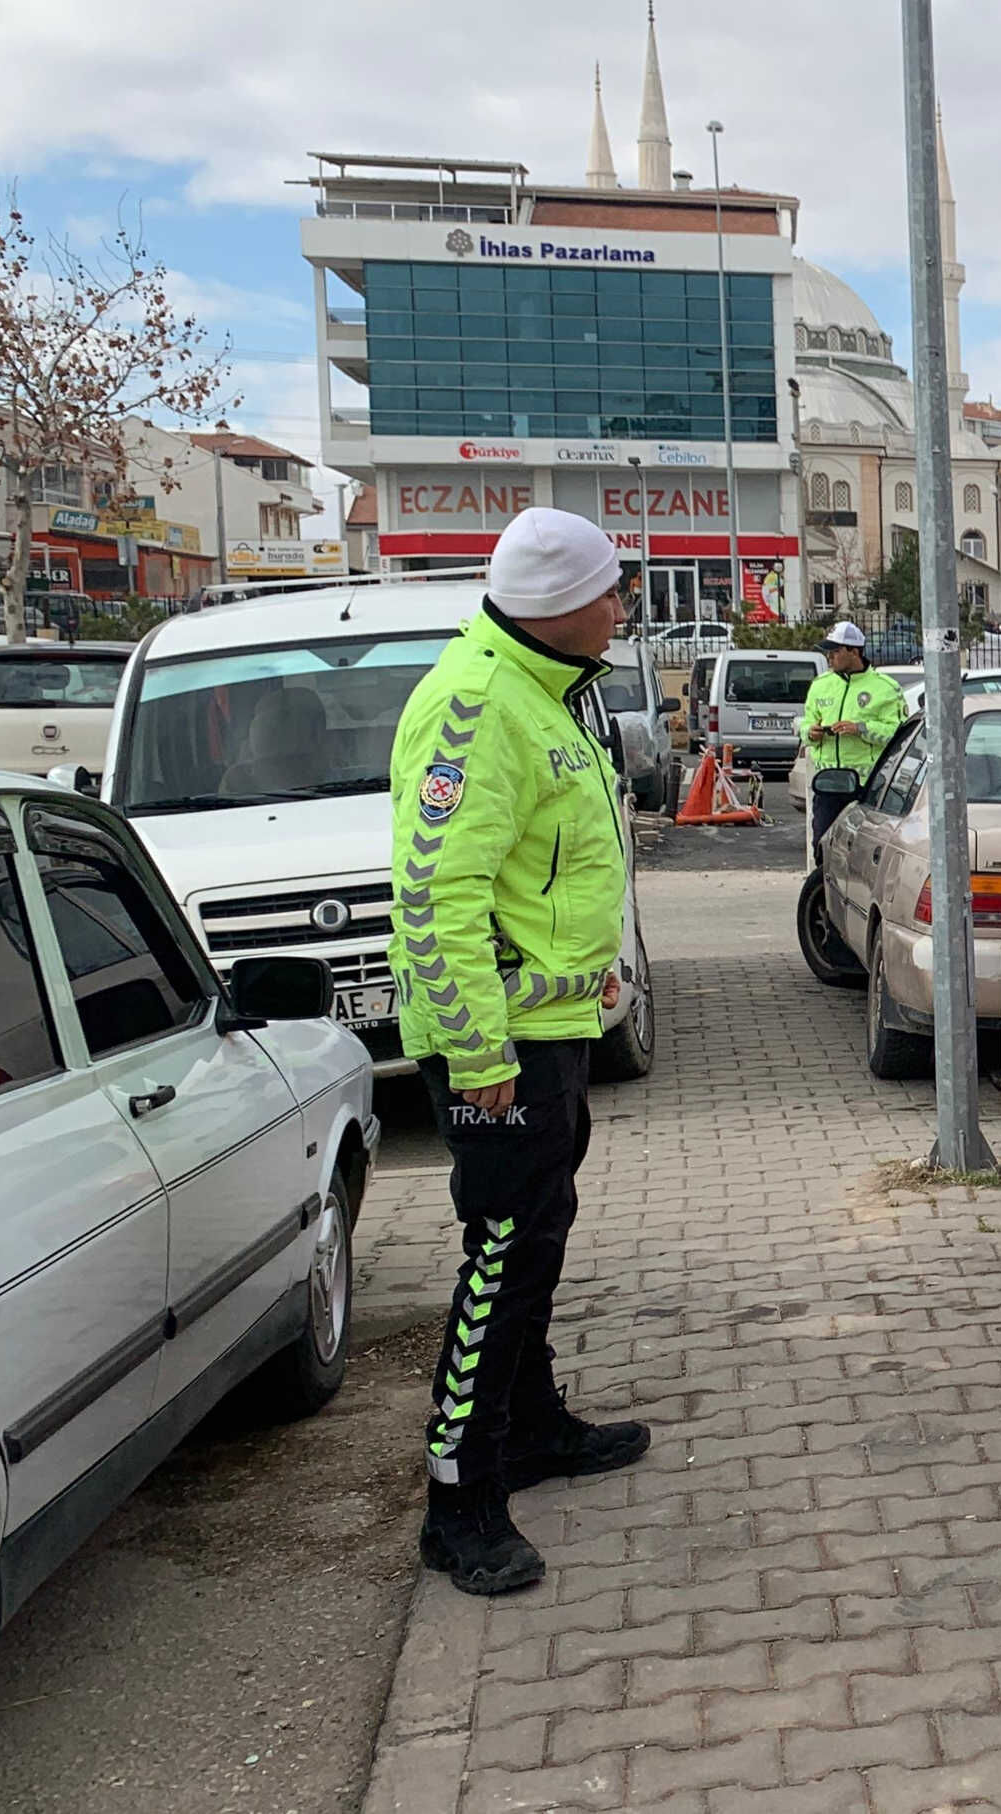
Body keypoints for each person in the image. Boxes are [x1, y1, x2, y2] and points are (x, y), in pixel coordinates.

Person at [388, 506, 649, 1597]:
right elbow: (436, 896)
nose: (623, 607)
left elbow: (540, 878)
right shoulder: (474, 703)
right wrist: (479, 1052)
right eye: (611, 591)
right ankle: (459, 1500)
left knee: (535, 1236)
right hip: (499, 1050)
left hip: (549, 1031)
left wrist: (588, 975)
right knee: (496, 1256)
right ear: (557, 603)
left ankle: (532, 1428)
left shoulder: (544, 691)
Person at [800, 620, 909, 846]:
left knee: (863, 851)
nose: (829, 657)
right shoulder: (820, 685)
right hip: (828, 785)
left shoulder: (885, 688)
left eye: (836, 651)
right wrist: (811, 733)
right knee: (822, 847)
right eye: (827, 651)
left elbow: (899, 736)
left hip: (867, 787)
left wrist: (860, 728)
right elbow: (806, 724)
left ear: (854, 651)